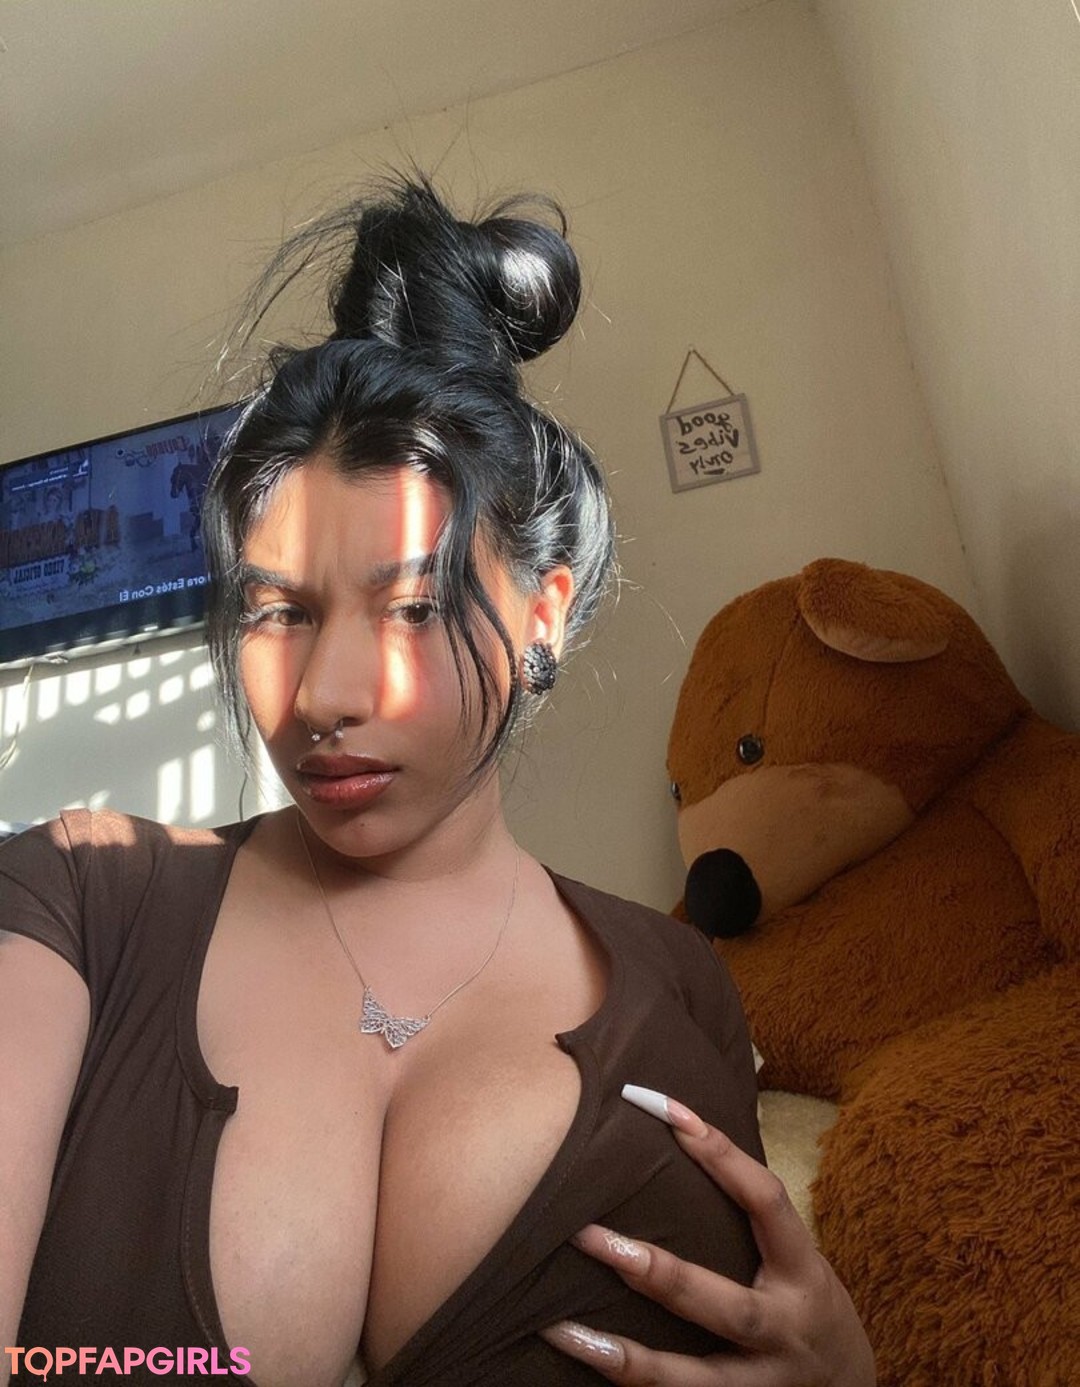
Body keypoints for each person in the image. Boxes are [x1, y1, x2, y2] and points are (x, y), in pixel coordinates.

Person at [0, 177, 874, 1387]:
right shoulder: (79, 900)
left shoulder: (682, 984)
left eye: (412, 606)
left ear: (542, 614)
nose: (323, 694)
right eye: (278, 611)